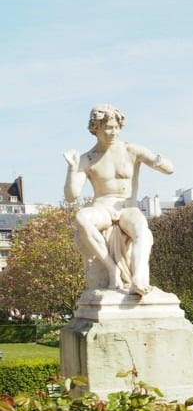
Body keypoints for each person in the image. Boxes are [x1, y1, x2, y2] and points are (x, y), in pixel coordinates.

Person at [64, 105, 174, 296]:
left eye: (116, 127)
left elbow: (169, 169)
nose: (113, 132)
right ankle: (112, 268)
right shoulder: (87, 159)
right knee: (82, 218)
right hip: (102, 207)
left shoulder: (131, 150)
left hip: (127, 207)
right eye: (107, 128)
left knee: (141, 229)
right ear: (95, 128)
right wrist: (72, 169)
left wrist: (156, 160)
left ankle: (139, 278)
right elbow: (71, 196)